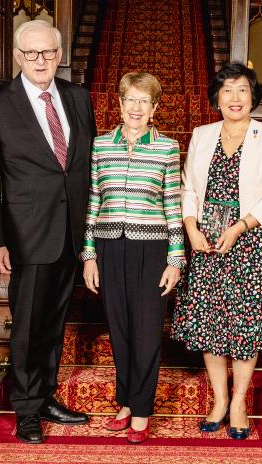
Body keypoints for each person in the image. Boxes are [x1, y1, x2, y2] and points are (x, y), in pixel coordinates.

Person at [0, 20, 96, 444]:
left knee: (55, 321)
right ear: (16, 56)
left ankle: (45, 395)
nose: (40, 61)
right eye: (31, 54)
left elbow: (86, 167)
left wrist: (91, 236)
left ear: (60, 55)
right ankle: (26, 408)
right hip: (26, 235)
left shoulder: (79, 98)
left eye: (47, 53)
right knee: (27, 325)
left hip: (72, 233)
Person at [172, 62, 262, 440]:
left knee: (244, 325)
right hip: (207, 240)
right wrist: (190, 227)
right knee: (210, 323)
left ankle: (239, 401)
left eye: (242, 89)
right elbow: (187, 187)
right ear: (216, 98)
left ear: (253, 95)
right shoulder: (202, 134)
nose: (235, 97)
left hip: (251, 240)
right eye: (227, 90)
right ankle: (219, 400)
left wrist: (240, 227)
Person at [81, 72, 184, 444]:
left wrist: (175, 259)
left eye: (145, 101)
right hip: (110, 247)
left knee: (145, 332)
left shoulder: (167, 148)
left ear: (155, 109)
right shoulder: (100, 146)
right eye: (131, 100)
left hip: (151, 249)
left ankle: (141, 409)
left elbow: (173, 204)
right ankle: (125, 401)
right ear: (120, 105)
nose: (137, 107)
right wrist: (89, 254)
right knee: (120, 330)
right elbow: (93, 200)